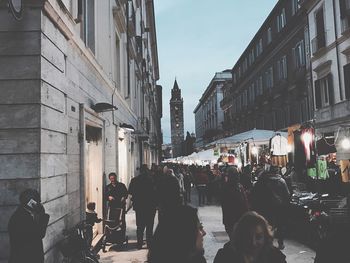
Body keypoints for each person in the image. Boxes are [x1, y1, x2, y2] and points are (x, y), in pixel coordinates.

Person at [213, 211, 286, 263]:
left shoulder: (276, 257)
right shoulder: (224, 256)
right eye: (248, 237)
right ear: (240, 236)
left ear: (266, 237)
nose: (253, 242)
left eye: (258, 237)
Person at [250, 165, 290, 250]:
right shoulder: (281, 181)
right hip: (279, 206)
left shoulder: (264, 181)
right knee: (280, 224)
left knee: (269, 224)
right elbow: (287, 194)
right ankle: (280, 242)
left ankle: (269, 242)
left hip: (267, 207)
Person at [8, 189, 50, 263]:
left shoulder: (26, 214)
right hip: (25, 258)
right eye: (38, 201)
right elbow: (39, 234)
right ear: (30, 203)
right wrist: (43, 215)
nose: (40, 204)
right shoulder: (21, 218)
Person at [128, 164, 157, 249]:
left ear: (140, 171)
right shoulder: (152, 180)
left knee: (140, 226)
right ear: (147, 170)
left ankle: (139, 244)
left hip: (139, 207)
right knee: (149, 226)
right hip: (150, 207)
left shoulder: (134, 180)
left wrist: (135, 200)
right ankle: (149, 243)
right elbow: (156, 193)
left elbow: (130, 193)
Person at [221, 166, 249, 235]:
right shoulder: (236, 187)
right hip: (236, 218)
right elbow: (243, 203)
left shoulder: (227, 187)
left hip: (232, 219)